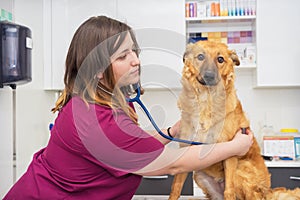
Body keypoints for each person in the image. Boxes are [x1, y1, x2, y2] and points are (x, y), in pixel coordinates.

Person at [4, 16, 253, 200]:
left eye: (134, 51)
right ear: (98, 70)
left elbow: (131, 147)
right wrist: (234, 147)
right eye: (123, 56)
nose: (136, 60)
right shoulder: (95, 120)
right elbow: (171, 164)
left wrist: (172, 130)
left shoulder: (103, 102)